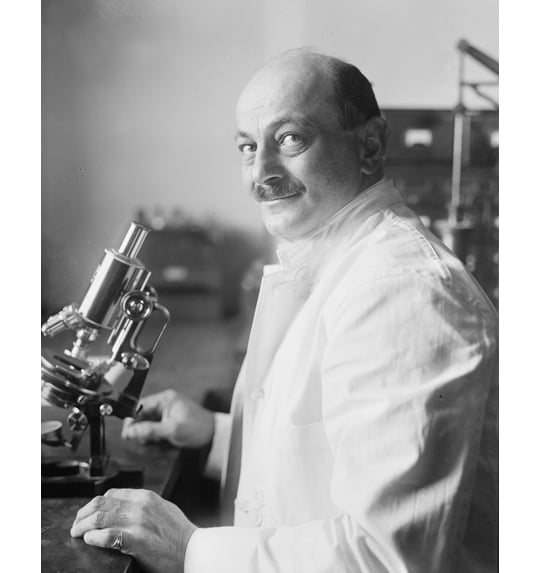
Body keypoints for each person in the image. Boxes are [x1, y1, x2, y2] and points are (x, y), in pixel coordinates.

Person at [70, 49, 498, 573]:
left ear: (370, 146)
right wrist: (219, 435)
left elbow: (385, 558)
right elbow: (338, 455)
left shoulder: (401, 290)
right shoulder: (342, 259)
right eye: (248, 147)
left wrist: (188, 548)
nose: (261, 174)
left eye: (291, 138)